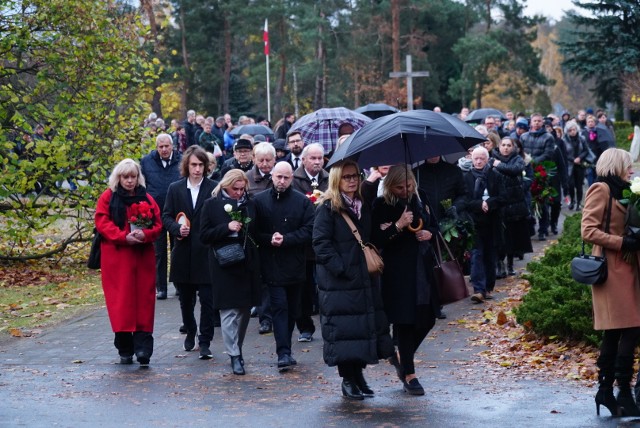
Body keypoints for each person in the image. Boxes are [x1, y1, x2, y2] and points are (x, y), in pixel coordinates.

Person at [312, 159, 394, 400]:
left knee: (361, 329)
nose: (351, 180)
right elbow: (320, 243)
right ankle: (348, 379)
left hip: (363, 279)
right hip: (340, 283)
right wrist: (342, 268)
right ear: (337, 179)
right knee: (345, 331)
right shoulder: (328, 207)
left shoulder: (362, 204)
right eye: (346, 176)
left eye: (355, 176)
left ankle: (358, 376)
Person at [371, 165, 439, 396]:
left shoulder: (422, 198)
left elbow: (434, 224)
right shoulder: (382, 205)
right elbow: (377, 238)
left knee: (429, 317)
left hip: (423, 267)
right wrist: (398, 225)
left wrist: (428, 232)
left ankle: (400, 355)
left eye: (408, 185)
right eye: (399, 187)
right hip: (398, 270)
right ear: (391, 186)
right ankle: (409, 374)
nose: (404, 190)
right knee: (405, 321)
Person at [582, 148, 640, 417]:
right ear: (616, 165)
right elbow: (588, 230)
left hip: (628, 267)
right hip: (611, 268)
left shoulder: (625, 190)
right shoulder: (602, 188)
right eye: (627, 165)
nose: (631, 169)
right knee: (626, 328)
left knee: (620, 331)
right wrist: (622, 242)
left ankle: (608, 391)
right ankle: (621, 392)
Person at [95, 159, 163, 366]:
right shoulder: (107, 198)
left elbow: (158, 225)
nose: (130, 181)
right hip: (117, 259)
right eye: (126, 177)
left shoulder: (147, 198)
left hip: (142, 258)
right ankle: (125, 348)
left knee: (144, 302)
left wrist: (146, 234)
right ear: (119, 178)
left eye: (133, 176)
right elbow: (102, 222)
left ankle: (143, 349)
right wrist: (123, 236)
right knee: (121, 303)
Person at [254, 162, 314, 370]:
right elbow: (253, 231)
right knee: (279, 306)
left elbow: (309, 230)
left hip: (295, 264)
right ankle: (283, 352)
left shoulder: (302, 202)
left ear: (292, 178)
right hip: (271, 263)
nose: (281, 181)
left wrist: (286, 239)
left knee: (293, 309)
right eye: (278, 177)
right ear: (271, 176)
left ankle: (286, 348)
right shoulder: (259, 201)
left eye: (286, 178)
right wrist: (269, 238)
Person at [200, 169, 261, 375]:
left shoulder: (250, 204)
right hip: (222, 262)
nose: (238, 192)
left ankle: (238, 348)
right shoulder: (211, 204)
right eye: (235, 189)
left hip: (246, 261)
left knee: (244, 309)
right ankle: (233, 354)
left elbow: (256, 231)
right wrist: (227, 227)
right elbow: (204, 235)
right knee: (228, 310)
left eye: (242, 189)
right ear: (226, 185)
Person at [162, 146, 217, 359]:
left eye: (201, 165)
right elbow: (166, 215)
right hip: (183, 251)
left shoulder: (213, 188)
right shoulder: (175, 188)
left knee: (207, 298)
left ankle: (205, 340)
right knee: (185, 299)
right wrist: (177, 229)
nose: (197, 169)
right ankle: (190, 329)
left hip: (205, 252)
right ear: (187, 165)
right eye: (193, 165)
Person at [291, 142, 330, 342]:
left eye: (319, 158)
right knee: (304, 288)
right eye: (313, 158)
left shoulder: (329, 178)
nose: (316, 162)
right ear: (304, 159)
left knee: (326, 286)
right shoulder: (295, 179)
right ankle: (305, 327)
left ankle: (329, 326)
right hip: (303, 244)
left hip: (325, 241)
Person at [140, 133, 183, 299]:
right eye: (161, 147)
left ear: (172, 146)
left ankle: (179, 284)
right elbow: (142, 185)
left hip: (176, 211)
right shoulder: (146, 162)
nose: (164, 149)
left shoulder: (181, 160)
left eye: (167, 146)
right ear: (156, 147)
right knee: (158, 252)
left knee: (177, 249)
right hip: (154, 212)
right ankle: (161, 287)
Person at [463, 146, 504, 303]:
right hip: (475, 222)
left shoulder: (495, 175)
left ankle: (487, 287)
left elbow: (503, 197)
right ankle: (478, 289)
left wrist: (489, 203)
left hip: (492, 221)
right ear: (472, 159)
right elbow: (465, 200)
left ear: (487, 160)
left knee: (489, 255)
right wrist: (479, 204)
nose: (479, 161)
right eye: (476, 158)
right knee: (477, 254)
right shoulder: (466, 177)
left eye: (482, 159)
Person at [491, 137, 533, 276]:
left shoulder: (518, 159)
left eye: (509, 145)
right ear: (499, 146)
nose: (506, 148)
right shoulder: (492, 158)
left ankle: (510, 265)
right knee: (500, 238)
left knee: (513, 237)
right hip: (500, 204)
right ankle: (499, 265)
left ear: (513, 147)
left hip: (515, 205)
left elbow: (515, 170)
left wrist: (498, 165)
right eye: (503, 145)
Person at [563, 121, 589, 211]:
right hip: (570, 165)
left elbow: (586, 150)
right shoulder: (564, 140)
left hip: (580, 165)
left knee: (579, 185)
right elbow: (564, 153)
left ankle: (578, 203)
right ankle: (572, 201)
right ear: (567, 131)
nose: (572, 132)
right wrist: (573, 160)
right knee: (570, 185)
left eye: (574, 129)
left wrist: (579, 158)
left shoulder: (582, 138)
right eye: (570, 130)